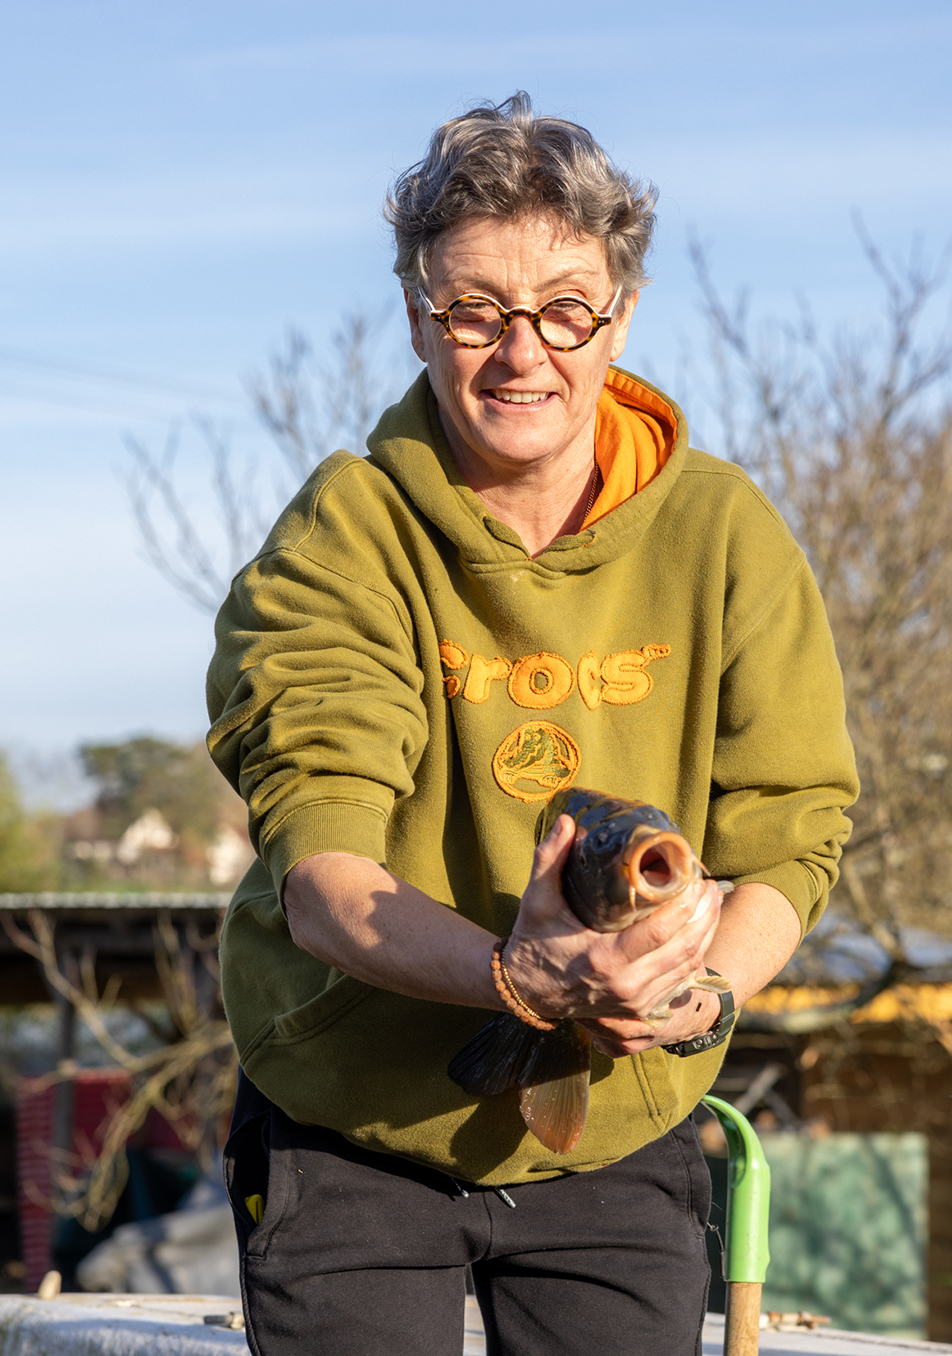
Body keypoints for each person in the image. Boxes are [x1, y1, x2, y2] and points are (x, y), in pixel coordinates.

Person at [206, 93, 857, 1356]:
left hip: (623, 1124)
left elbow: (791, 831)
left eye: (565, 308)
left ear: (620, 313)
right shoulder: (343, 534)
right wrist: (520, 976)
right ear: (416, 316)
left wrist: (692, 994)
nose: (523, 354)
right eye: (473, 310)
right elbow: (321, 868)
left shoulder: (727, 535)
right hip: (355, 1127)